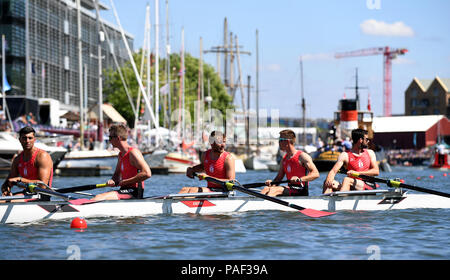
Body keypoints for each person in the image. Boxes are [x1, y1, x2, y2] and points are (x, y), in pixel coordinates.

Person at [92, 124, 151, 201]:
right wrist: (112, 180)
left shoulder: (133, 153)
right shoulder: (121, 155)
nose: (109, 140)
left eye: (110, 138)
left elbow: (147, 173)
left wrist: (124, 182)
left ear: (118, 138)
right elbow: (116, 175)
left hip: (134, 191)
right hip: (124, 190)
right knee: (100, 197)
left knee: (99, 197)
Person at [1, 126, 54, 201]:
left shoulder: (42, 156)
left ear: (34, 139)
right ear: (20, 140)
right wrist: (6, 190)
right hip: (27, 193)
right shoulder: (17, 159)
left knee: (5, 201)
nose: (27, 141)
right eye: (24, 138)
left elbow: (42, 185)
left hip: (41, 195)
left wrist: (20, 180)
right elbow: (7, 182)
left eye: (30, 138)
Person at [261, 129, 320, 197]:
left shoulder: (302, 156)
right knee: (266, 189)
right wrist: (271, 183)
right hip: (290, 189)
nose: (279, 142)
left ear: (287, 141)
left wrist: (300, 179)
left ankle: (264, 205)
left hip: (300, 190)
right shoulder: (284, 159)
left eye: (280, 140)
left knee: (274, 190)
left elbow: (316, 174)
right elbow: (278, 179)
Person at [323, 128, 379, 194]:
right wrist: (329, 178)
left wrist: (357, 173)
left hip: (369, 185)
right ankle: (324, 202)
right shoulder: (345, 155)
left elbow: (376, 171)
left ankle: (342, 201)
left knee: (347, 180)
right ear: (360, 140)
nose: (368, 141)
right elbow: (333, 171)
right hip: (352, 184)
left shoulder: (370, 153)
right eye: (366, 139)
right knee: (328, 182)